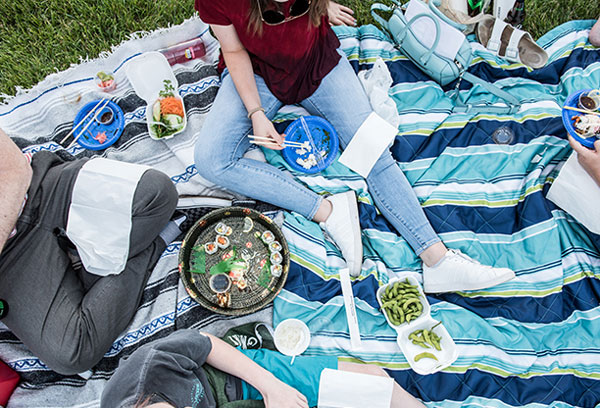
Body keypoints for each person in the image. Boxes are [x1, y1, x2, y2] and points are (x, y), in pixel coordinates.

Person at [193, 0, 516, 293]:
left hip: (317, 63)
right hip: (259, 73)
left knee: (372, 150)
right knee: (211, 159)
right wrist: (256, 112)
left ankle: (437, 260)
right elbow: (234, 51)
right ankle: (328, 211)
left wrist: (321, 7)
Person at [77, 329, 531, 408]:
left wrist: (272, 386)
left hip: (251, 381)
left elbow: (212, 347)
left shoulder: (150, 368)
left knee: (373, 387)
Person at [0, 128, 179, 375]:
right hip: (9, 263)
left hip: (37, 189)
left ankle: (91, 279)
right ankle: (151, 244)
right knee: (71, 354)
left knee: (156, 192)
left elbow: (14, 170)